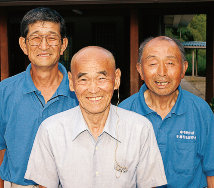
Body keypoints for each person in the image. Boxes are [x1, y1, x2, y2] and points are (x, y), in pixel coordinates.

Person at [24, 46, 167, 188]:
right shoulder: (50, 130)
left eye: (101, 78)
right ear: (71, 82)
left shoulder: (140, 129)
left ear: (116, 79)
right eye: (84, 79)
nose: (93, 89)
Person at [0, 7, 78, 188]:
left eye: (52, 38)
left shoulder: (79, 90)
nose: (44, 46)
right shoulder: (4, 90)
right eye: (35, 38)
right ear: (23, 44)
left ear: (63, 44)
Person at [119, 36, 214, 188]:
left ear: (183, 68)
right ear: (140, 70)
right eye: (152, 63)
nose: (162, 72)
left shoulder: (200, 110)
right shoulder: (124, 113)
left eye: (170, 63)